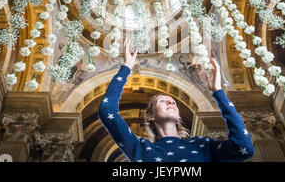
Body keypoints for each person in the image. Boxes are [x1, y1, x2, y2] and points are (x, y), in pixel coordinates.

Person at [98, 37, 254, 162]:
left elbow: (244, 148)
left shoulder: (202, 145)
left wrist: (218, 92)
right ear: (151, 116)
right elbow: (107, 110)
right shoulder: (141, 149)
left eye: (172, 101)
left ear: (179, 118)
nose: (171, 102)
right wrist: (126, 66)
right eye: (162, 101)